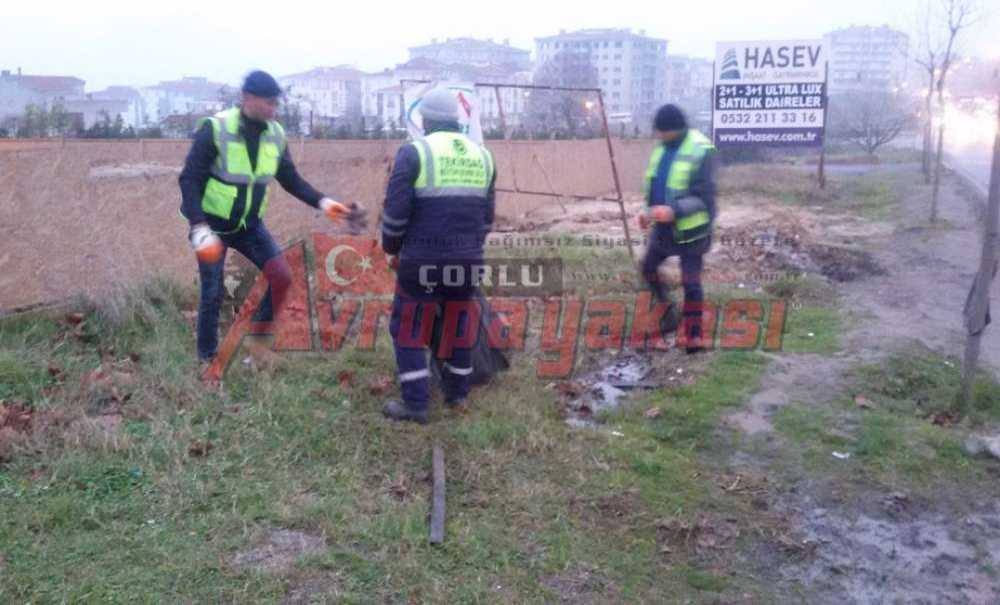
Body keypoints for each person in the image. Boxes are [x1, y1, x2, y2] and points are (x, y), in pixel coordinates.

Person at [179, 69, 359, 367]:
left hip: (249, 226)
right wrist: (198, 226)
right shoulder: (216, 129)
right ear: (247, 98)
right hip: (211, 225)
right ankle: (207, 358)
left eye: (276, 104)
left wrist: (326, 204)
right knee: (212, 291)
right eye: (268, 103)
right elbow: (189, 179)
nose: (274, 109)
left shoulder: (275, 135)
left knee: (281, 276)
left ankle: (256, 348)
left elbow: (291, 179)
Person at [380, 88, 496, 424]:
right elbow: (487, 219)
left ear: (426, 120)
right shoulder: (484, 157)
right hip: (468, 262)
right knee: (458, 323)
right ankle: (457, 396)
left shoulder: (414, 154)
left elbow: (396, 215)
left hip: (422, 263)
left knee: (408, 328)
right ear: (457, 121)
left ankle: (416, 405)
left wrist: (392, 248)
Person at [638, 104, 718, 354]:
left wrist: (675, 211)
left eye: (663, 132)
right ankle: (669, 313)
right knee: (648, 267)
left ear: (675, 129)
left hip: (692, 231)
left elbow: (705, 198)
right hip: (663, 229)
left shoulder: (701, 150)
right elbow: (654, 185)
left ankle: (694, 337)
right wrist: (647, 211)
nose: (659, 136)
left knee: (691, 282)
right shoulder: (661, 149)